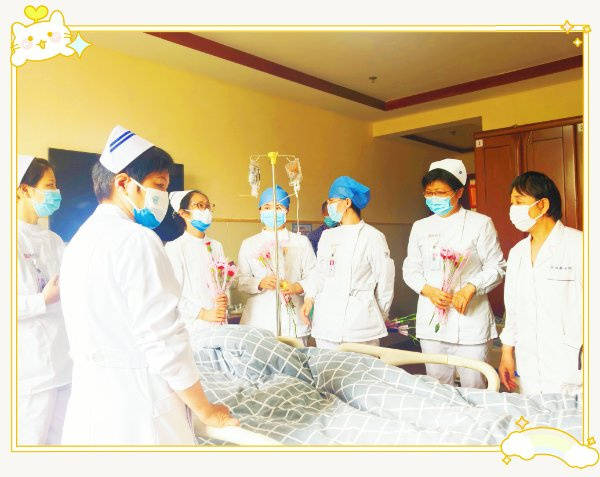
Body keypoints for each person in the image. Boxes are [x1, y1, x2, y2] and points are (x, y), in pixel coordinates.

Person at [59, 126, 237, 445]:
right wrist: (206, 410)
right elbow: (163, 340)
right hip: (139, 410)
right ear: (123, 183)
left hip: (93, 406)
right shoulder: (136, 239)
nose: (162, 198)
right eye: (159, 186)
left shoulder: (78, 241)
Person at [402, 159, 505, 388]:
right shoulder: (420, 226)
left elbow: (497, 266)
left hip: (470, 320)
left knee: (474, 385)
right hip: (432, 320)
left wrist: (471, 287)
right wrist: (428, 291)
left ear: (459, 192)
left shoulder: (480, 223)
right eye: (429, 193)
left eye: (440, 192)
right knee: (437, 386)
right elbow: (411, 268)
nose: (434, 198)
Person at [498, 171, 582, 395]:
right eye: (511, 203)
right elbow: (512, 308)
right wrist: (507, 352)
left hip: (571, 362)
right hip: (529, 364)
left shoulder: (579, 245)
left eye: (519, 202)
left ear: (542, 205)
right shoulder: (517, 252)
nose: (513, 209)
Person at [301, 176, 395, 349]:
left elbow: (385, 280)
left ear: (347, 202)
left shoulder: (372, 236)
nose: (329, 205)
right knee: (327, 365)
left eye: (332, 201)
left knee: (360, 366)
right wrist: (309, 298)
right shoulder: (327, 236)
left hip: (360, 323)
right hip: (326, 322)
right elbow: (319, 273)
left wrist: (379, 315)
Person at [16, 155, 72, 445]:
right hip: (30, 370)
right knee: (31, 444)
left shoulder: (54, 240)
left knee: (62, 444)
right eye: (49, 186)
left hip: (64, 363)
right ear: (24, 190)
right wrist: (42, 300)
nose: (56, 192)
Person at [237, 185, 316, 344]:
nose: (272, 212)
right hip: (259, 320)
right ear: (260, 210)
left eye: (278, 207)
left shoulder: (300, 242)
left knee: (295, 358)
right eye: (267, 207)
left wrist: (297, 286)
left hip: (293, 321)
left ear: (287, 211)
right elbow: (240, 280)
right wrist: (260, 283)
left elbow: (314, 276)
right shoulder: (249, 244)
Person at [164, 190, 228, 329]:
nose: (206, 210)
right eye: (199, 205)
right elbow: (172, 293)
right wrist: (203, 314)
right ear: (184, 213)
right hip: (193, 325)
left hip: (219, 321)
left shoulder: (216, 246)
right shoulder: (175, 248)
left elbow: (223, 282)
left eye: (208, 206)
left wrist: (224, 299)